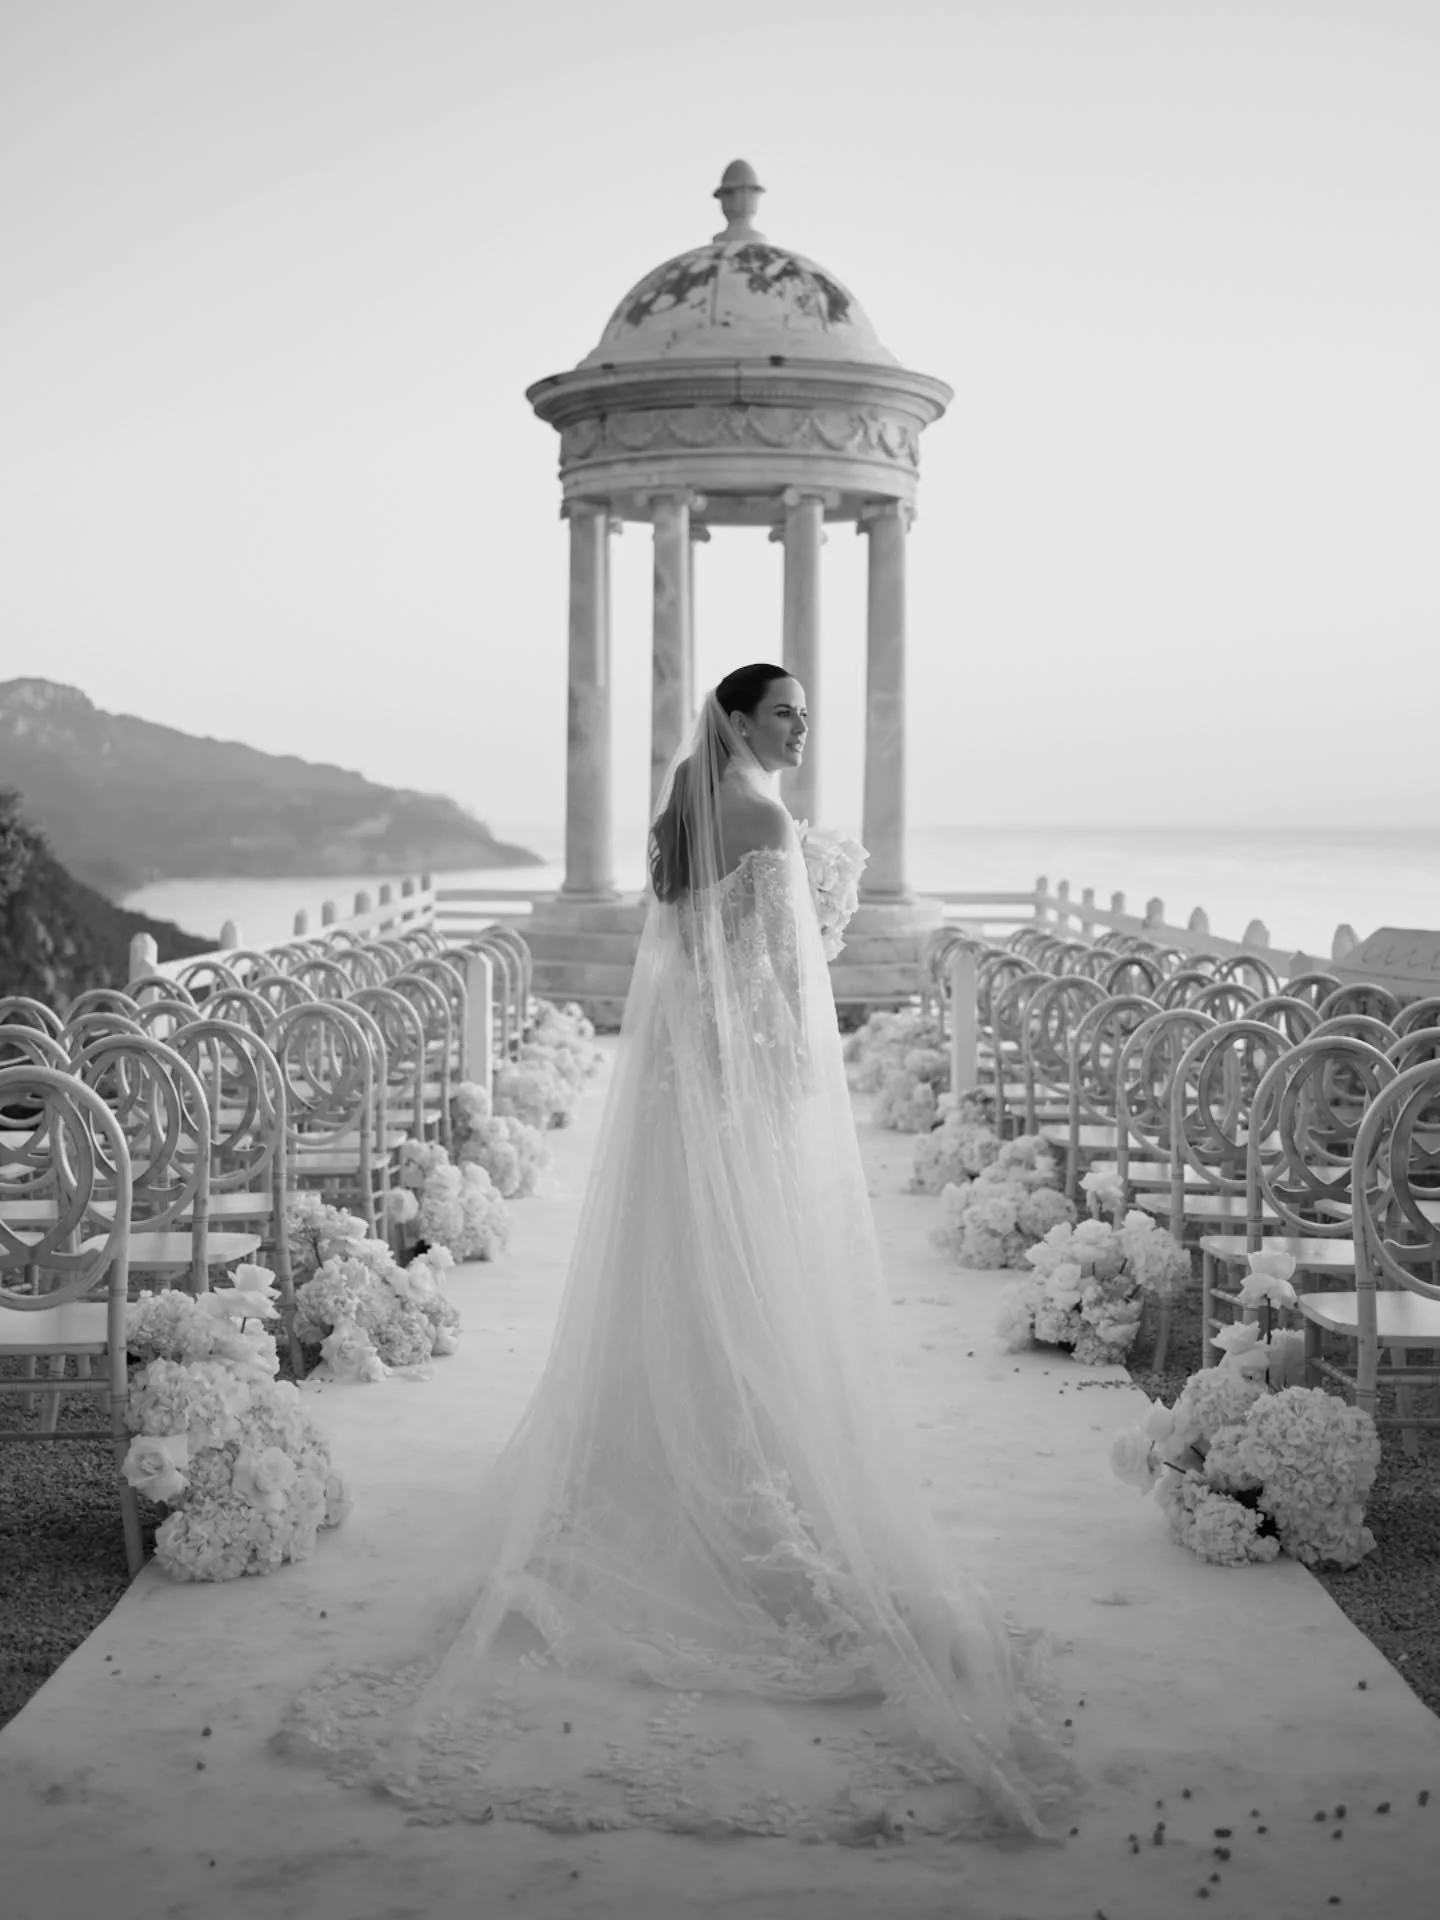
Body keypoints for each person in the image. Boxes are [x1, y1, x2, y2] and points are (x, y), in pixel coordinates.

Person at [282, 663, 1076, 1844]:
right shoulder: (757, 814)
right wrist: (788, 1062)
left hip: (674, 1080)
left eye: (807, 714)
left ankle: (663, 1447)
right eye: (784, 715)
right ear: (739, 721)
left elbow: (698, 956)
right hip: (732, 1076)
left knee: (682, 1269)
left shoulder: (689, 808)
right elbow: (769, 974)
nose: (801, 730)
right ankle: (737, 1461)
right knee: (745, 1269)